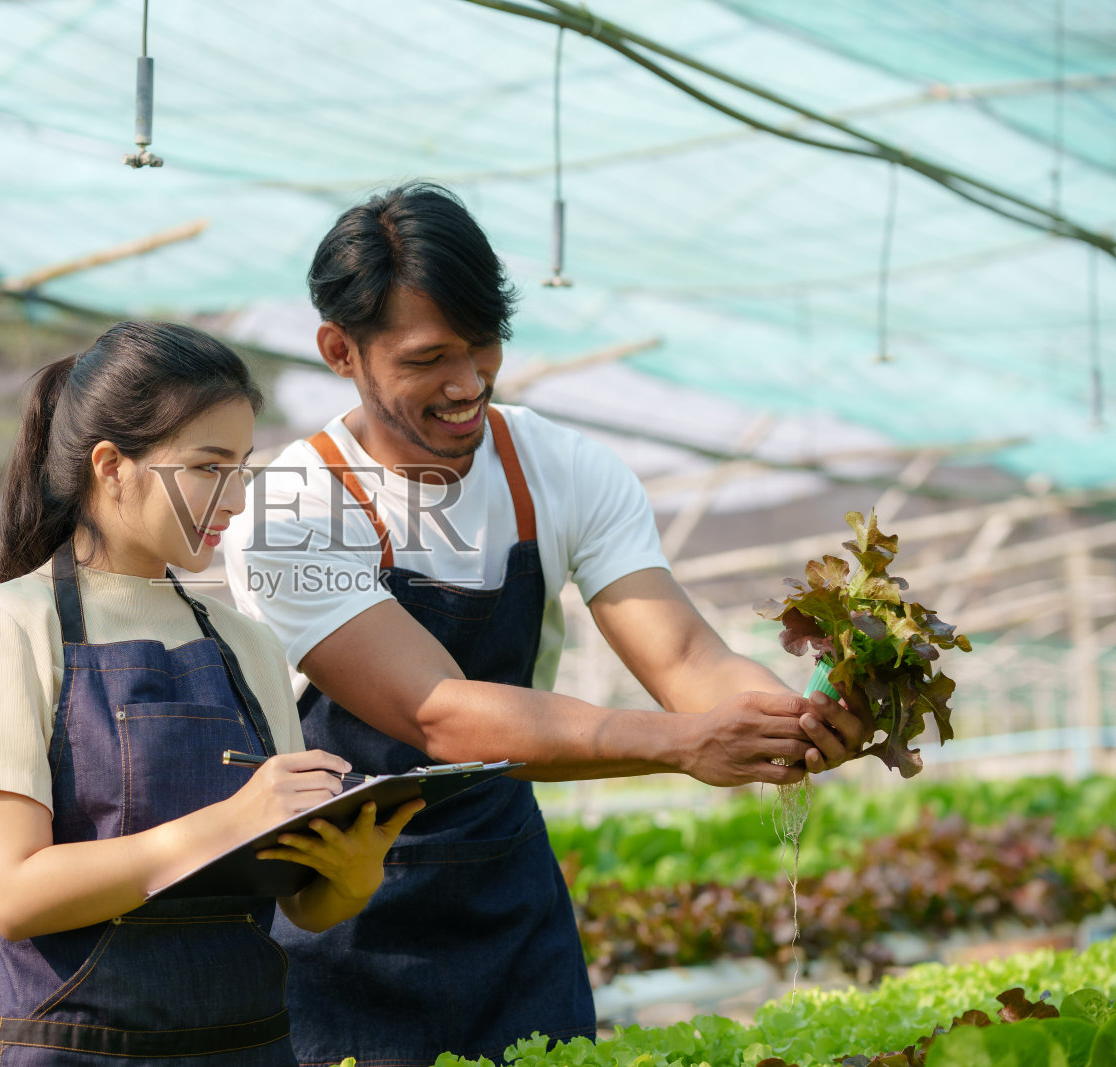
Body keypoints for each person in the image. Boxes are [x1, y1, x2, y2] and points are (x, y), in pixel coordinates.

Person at [221, 184, 872, 1066]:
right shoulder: (294, 506)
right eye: (428, 358)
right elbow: (437, 711)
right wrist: (683, 744)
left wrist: (791, 719)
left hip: (507, 903)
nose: (468, 383)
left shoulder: (562, 468)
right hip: (338, 916)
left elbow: (684, 655)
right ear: (341, 350)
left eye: (485, 346)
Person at [0, 321, 423, 1067]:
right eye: (207, 466)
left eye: (244, 467)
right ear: (112, 466)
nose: (235, 496)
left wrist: (351, 875)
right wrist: (229, 820)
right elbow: (12, 891)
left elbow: (300, 900)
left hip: (241, 1044)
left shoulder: (249, 643)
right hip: (68, 1046)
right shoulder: (7, 624)